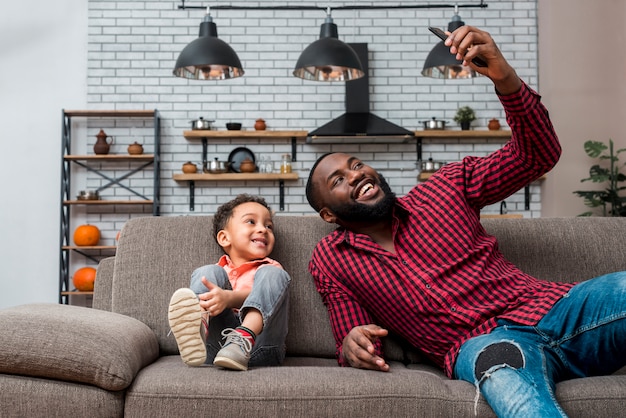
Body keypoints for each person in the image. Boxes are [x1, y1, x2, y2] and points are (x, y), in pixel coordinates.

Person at [305, 26, 626, 417]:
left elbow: (536, 156)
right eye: (338, 180)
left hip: (556, 310)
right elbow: (356, 337)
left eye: (356, 165)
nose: (356, 174)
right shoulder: (330, 259)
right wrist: (353, 344)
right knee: (502, 369)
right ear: (327, 214)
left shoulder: (445, 188)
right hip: (483, 344)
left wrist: (504, 78)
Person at [168, 194, 291, 371]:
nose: (263, 229)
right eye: (251, 222)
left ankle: (243, 336)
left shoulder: (270, 268)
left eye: (268, 226)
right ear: (225, 238)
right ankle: (198, 329)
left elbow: (263, 296)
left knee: (275, 274)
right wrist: (216, 300)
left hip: (261, 347)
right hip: (216, 349)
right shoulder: (218, 274)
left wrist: (228, 298)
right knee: (206, 272)